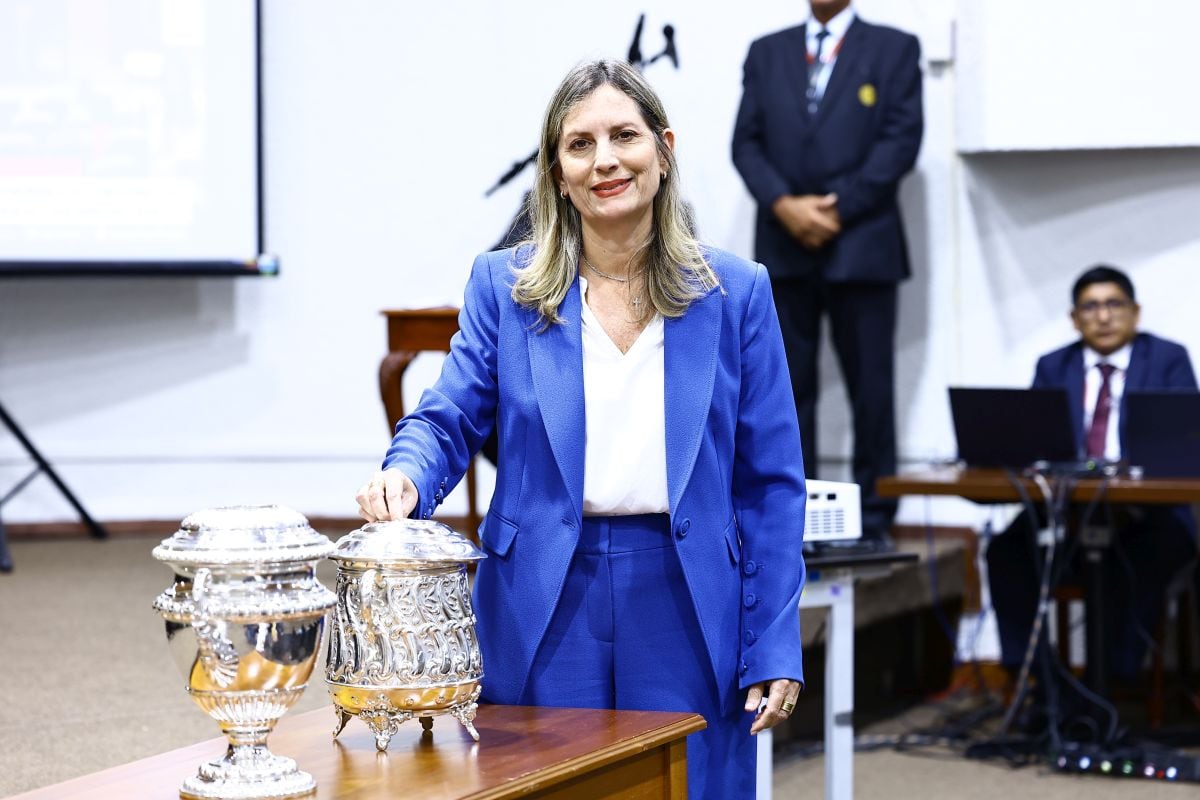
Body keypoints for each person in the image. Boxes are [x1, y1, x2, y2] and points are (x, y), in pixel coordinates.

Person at [356, 60, 806, 799]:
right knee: (542, 783)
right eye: (580, 145)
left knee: (688, 786)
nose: (605, 161)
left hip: (687, 596)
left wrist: (774, 641)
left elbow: (772, 486)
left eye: (624, 136)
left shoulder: (738, 292)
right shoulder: (504, 285)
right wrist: (405, 471)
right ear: (556, 172)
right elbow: (449, 413)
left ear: (663, 150)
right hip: (543, 592)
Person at [731, 0, 923, 544]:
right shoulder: (766, 52)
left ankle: (878, 520)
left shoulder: (895, 47)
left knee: (872, 389)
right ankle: (793, 520)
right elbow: (745, 143)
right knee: (786, 393)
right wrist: (785, 205)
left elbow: (901, 141)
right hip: (784, 246)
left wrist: (838, 209)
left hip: (861, 245)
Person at [987, 265, 1198, 684]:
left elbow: (1184, 441)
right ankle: (1042, 684)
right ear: (1074, 318)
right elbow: (1035, 442)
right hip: (1068, 513)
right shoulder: (1053, 365)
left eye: (1114, 304)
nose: (1103, 317)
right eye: (1091, 306)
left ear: (1135, 312)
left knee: (1148, 556)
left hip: (1148, 515)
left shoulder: (1167, 359)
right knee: (1005, 553)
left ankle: (1112, 687)